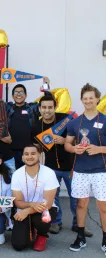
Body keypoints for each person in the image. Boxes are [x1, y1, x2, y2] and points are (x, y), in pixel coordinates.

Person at [31, 94, 92, 236]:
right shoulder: (36, 126)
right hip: (51, 168)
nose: (47, 110)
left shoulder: (66, 120)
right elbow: (36, 149)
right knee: (54, 198)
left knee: (76, 197)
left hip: (72, 166)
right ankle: (56, 222)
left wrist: (65, 140)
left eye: (50, 107)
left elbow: (79, 140)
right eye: (44, 107)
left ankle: (79, 224)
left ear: (55, 107)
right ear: (40, 109)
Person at [65, 83, 106, 254]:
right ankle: (80, 237)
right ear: (81, 100)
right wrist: (74, 149)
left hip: (101, 170)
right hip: (80, 170)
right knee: (81, 204)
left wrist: (99, 149)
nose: (88, 101)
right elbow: (67, 143)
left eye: (91, 98)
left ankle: (105, 238)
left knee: (103, 207)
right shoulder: (75, 122)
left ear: (97, 99)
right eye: (85, 98)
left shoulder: (104, 120)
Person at [0, 70, 49, 169]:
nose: (19, 94)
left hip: (29, 152)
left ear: (25, 95)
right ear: (13, 96)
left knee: (30, 178)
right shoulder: (7, 108)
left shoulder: (32, 108)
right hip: (11, 153)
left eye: (21, 92)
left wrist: (46, 86)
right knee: (14, 179)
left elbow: (47, 101)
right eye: (16, 92)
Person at [11, 144, 59, 252]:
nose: (30, 156)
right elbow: (18, 202)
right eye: (26, 154)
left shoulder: (49, 173)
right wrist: (31, 205)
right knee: (18, 245)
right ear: (22, 157)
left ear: (39, 155)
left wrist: (28, 211)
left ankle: (42, 235)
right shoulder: (17, 174)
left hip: (45, 209)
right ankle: (30, 227)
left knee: (42, 218)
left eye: (33, 153)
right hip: (24, 209)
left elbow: (48, 203)